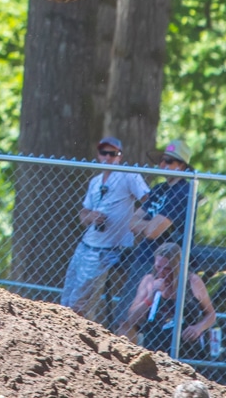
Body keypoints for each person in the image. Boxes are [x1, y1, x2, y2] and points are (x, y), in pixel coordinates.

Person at [60, 136, 149, 324]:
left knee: (80, 304)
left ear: (120, 156)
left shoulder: (129, 175)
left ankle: (81, 338)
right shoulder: (95, 182)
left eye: (113, 154)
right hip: (86, 245)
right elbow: (83, 214)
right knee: (67, 299)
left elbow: (148, 200)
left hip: (107, 249)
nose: (108, 158)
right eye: (104, 153)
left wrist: (135, 221)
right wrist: (92, 216)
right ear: (98, 154)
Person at [114, 139, 196, 331]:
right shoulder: (159, 190)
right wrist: (150, 224)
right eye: (162, 161)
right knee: (127, 317)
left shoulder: (184, 192)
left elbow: (153, 232)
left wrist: (148, 225)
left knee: (150, 324)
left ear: (182, 167)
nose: (162, 165)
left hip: (165, 265)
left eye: (169, 161)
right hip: (143, 259)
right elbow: (132, 223)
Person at [119, 241, 216, 356]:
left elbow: (211, 314)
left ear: (178, 266)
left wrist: (198, 328)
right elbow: (132, 318)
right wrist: (151, 296)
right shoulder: (149, 281)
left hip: (188, 352)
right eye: (158, 267)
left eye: (167, 269)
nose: (161, 273)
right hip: (155, 351)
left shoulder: (193, 281)